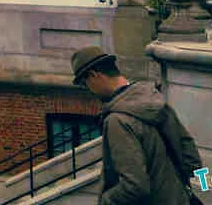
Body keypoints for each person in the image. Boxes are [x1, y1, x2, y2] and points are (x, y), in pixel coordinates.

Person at [71, 46, 204, 205]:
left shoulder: (117, 121)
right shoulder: (153, 98)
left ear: (94, 75)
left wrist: (106, 200)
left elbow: (135, 185)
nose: (89, 91)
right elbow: (191, 159)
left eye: (86, 85)